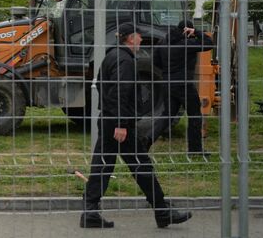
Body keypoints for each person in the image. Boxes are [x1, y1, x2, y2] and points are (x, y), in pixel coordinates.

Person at [80, 22, 192, 229]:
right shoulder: (125, 60)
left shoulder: (113, 56)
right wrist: (121, 124)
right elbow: (120, 92)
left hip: (110, 120)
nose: (141, 39)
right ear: (130, 38)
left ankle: (90, 211)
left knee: (104, 165)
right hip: (119, 124)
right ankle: (162, 210)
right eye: (139, 36)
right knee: (140, 166)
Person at [151, 20, 214, 155]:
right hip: (184, 84)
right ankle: (195, 150)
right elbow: (209, 43)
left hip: (168, 83)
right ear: (187, 31)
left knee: (167, 116)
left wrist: (168, 73)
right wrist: (196, 32)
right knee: (195, 116)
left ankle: (146, 141)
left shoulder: (162, 43)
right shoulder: (187, 44)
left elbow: (155, 61)